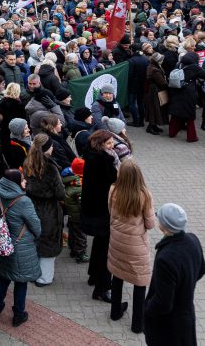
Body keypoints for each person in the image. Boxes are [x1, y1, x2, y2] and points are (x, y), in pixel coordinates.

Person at [144, 203, 205, 346]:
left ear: (164, 226)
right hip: (187, 315)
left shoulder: (165, 258)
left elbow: (163, 302)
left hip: (168, 326)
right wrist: (185, 286)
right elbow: (201, 269)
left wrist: (147, 309)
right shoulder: (193, 240)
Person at [107, 159, 155, 333]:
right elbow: (150, 224)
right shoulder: (144, 195)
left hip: (117, 241)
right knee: (139, 282)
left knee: (118, 276)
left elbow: (110, 212)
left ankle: (115, 312)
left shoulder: (113, 190)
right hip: (137, 246)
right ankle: (137, 324)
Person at [0, 169, 41, 327]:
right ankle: (19, 314)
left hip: (4, 244)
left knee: (4, 277)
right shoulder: (23, 201)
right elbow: (36, 226)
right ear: (15, 183)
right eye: (23, 180)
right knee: (21, 282)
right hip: (21, 246)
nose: (25, 182)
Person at [82, 129, 121, 303]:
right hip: (103, 210)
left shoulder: (92, 156)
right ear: (100, 144)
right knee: (106, 249)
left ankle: (93, 275)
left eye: (112, 142)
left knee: (100, 243)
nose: (113, 146)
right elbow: (112, 182)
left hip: (93, 208)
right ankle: (102, 288)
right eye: (109, 143)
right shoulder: (104, 160)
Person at [23, 133, 65, 287]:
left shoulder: (28, 162)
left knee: (35, 241)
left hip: (31, 207)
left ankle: (34, 273)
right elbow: (60, 193)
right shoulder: (51, 169)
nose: (53, 147)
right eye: (51, 145)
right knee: (48, 245)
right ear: (47, 149)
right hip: (49, 211)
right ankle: (44, 278)